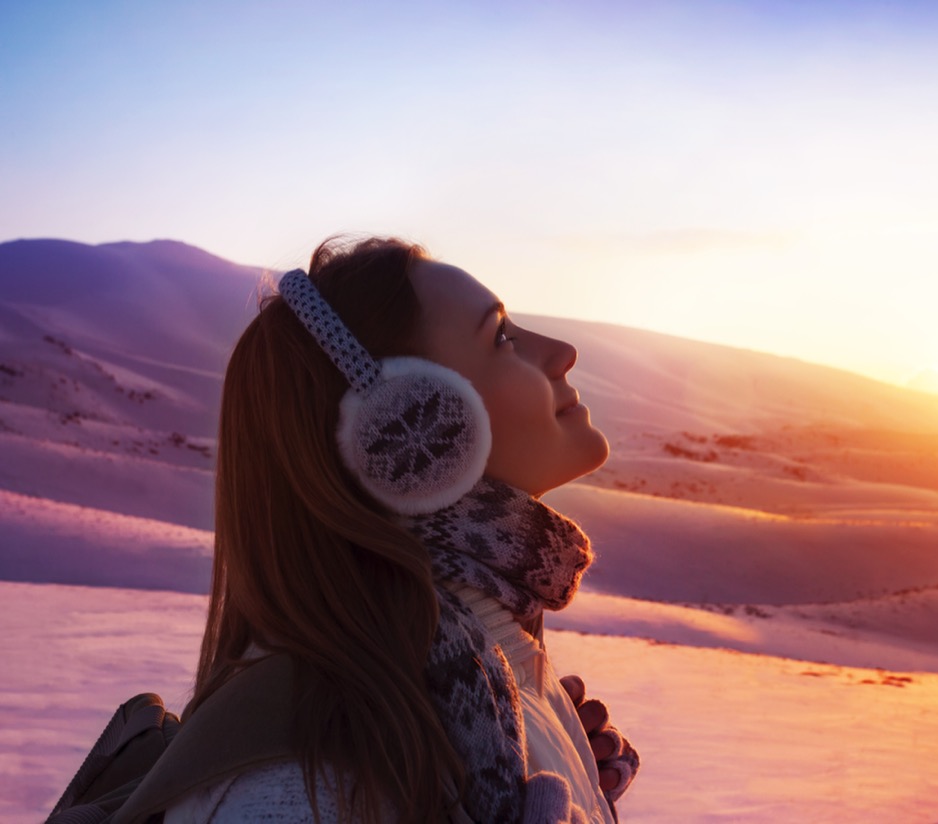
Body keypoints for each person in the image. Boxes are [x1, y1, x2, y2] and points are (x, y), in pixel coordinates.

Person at [167, 236, 638, 823]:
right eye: (501, 338)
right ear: (404, 421)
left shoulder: (484, 674)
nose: (563, 352)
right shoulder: (309, 776)